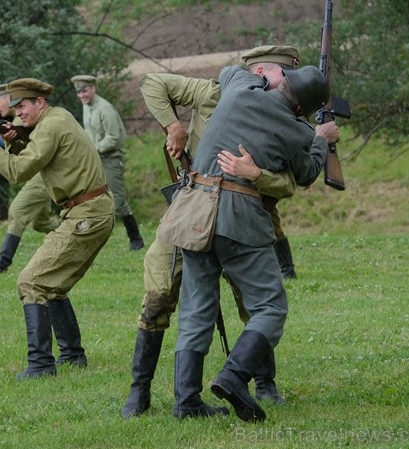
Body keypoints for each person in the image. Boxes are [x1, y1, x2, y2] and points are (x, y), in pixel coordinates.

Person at [122, 46, 302, 419]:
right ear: (266, 71)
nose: (289, 83)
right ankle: (140, 392)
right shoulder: (216, 92)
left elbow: (290, 180)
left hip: (243, 217)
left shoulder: (283, 113)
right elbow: (153, 82)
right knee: (158, 295)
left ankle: (263, 384)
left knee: (252, 305)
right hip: (190, 210)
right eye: (287, 74)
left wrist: (258, 176)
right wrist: (174, 126)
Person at [173, 64, 339, 422]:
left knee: (196, 307)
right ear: (303, 109)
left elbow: (230, 69)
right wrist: (321, 138)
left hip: (192, 209)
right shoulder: (297, 130)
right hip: (238, 215)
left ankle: (187, 401)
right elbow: (308, 173)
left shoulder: (240, 88)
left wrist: (269, 75)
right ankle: (233, 377)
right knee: (270, 307)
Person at [0, 78, 115, 379]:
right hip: (91, 211)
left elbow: (18, 171)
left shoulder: (49, 125)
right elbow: (41, 155)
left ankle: (41, 364)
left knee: (31, 282)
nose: (19, 115)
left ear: (40, 103)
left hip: (86, 214)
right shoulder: (59, 117)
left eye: (23, 108)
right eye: (16, 109)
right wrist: (14, 139)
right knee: (52, 285)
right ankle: (72, 355)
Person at [0, 84, 60, 274]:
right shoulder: (13, 119)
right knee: (40, 222)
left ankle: (2, 263)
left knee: (17, 212)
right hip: (38, 174)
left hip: (41, 175)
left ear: (10, 99)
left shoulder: (20, 120)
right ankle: (79, 230)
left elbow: (7, 146)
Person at [71, 75, 144, 251]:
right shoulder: (86, 107)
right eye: (79, 92)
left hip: (110, 159)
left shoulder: (105, 109)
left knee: (117, 202)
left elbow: (114, 138)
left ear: (93, 88)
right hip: (94, 160)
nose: (82, 95)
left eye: (85, 91)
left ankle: (136, 238)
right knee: (88, 198)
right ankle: (88, 238)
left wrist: (93, 149)